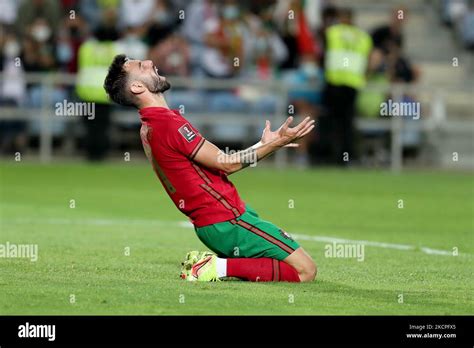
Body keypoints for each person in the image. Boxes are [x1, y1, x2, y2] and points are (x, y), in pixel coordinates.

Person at [103, 54, 317, 282]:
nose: (148, 62)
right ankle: (212, 267)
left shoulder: (150, 126)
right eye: (140, 65)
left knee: (282, 265)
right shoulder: (167, 124)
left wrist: (262, 144)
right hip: (226, 220)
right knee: (306, 270)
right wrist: (275, 145)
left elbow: (208, 165)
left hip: (214, 223)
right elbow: (228, 164)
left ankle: (218, 267)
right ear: (137, 87)